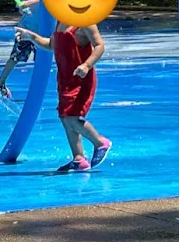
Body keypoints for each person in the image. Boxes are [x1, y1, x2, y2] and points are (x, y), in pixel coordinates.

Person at [17, 18, 111, 172]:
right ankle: (79, 158)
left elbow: (99, 45)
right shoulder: (61, 22)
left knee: (72, 117)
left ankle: (100, 142)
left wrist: (87, 65)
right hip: (65, 79)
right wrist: (31, 36)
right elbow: (51, 45)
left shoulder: (84, 22)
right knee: (65, 117)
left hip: (81, 78)